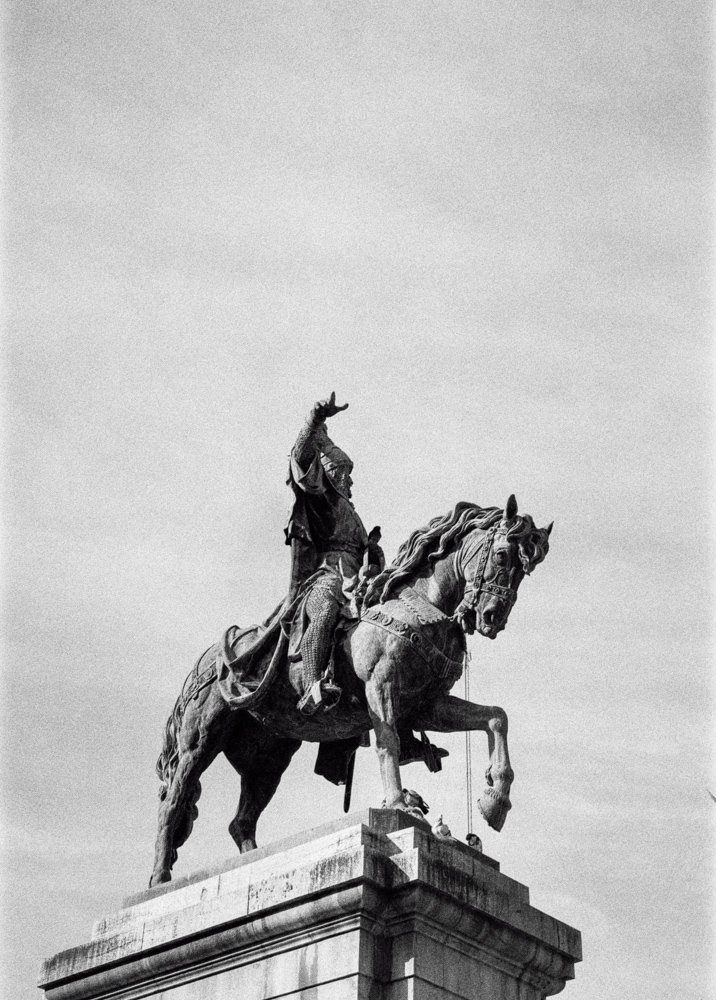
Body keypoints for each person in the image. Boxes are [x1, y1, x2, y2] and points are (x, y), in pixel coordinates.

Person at [285, 393, 375, 715]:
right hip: (326, 577)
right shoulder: (325, 500)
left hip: (359, 582)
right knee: (325, 610)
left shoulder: (355, 515)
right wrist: (315, 419)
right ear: (329, 475)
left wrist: (373, 559)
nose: (350, 480)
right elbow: (301, 456)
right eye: (344, 473)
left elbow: (370, 556)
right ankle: (311, 684)